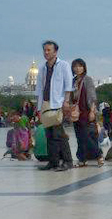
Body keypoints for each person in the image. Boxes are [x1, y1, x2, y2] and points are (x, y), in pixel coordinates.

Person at [35, 40, 74, 172]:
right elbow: (40, 88)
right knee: (49, 134)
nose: (46, 53)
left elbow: (68, 84)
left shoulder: (63, 65)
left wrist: (66, 102)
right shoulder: (42, 68)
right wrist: (39, 107)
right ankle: (53, 162)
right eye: (44, 50)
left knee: (58, 134)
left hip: (58, 104)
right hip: (46, 104)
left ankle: (68, 161)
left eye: (49, 50)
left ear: (55, 52)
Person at [71, 58, 104, 167]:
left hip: (85, 111)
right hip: (76, 113)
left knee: (86, 136)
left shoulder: (87, 80)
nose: (78, 68)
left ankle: (99, 155)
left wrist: (92, 111)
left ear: (84, 67)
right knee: (79, 137)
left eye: (80, 66)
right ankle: (82, 159)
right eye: (75, 66)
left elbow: (92, 97)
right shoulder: (74, 81)